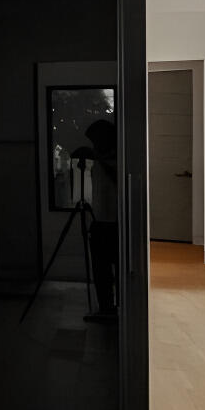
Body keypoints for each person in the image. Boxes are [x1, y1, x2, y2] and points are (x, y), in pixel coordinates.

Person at [76, 117, 121, 320]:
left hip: (116, 223)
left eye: (97, 141)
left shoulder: (120, 158)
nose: (95, 145)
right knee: (100, 271)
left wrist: (99, 159)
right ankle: (105, 307)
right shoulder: (100, 161)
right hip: (100, 221)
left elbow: (118, 180)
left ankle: (120, 306)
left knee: (117, 269)